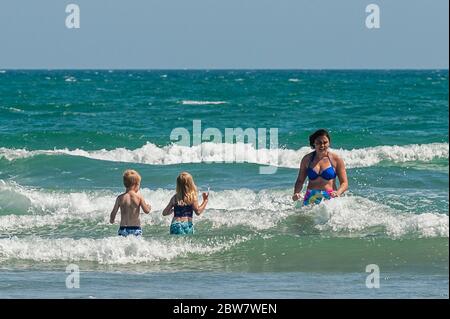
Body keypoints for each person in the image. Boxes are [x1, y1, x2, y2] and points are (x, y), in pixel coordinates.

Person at [293, 129, 348, 206]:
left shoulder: (336, 159)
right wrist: (296, 193)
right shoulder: (307, 159)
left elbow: (344, 183)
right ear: (314, 144)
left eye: (325, 142)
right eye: (319, 143)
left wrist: (338, 192)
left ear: (329, 143)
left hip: (330, 197)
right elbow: (300, 181)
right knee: (305, 217)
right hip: (311, 197)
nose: (322, 145)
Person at [109, 169, 151, 236]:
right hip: (135, 228)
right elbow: (146, 211)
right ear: (136, 184)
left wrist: (112, 220)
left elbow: (113, 212)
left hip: (123, 228)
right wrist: (149, 207)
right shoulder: (139, 197)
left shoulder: (120, 198)